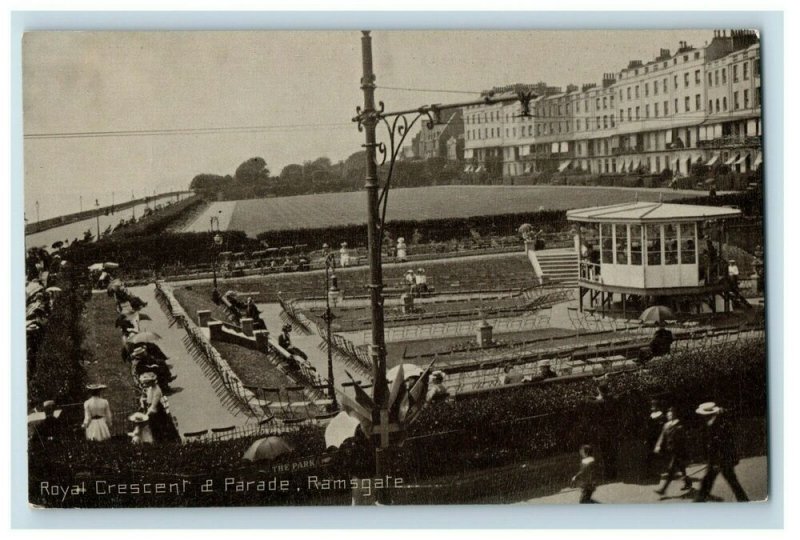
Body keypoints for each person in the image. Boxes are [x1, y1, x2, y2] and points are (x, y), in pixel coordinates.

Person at [694, 402, 749, 502]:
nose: (701, 416)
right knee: (715, 481)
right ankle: (744, 500)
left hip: (722, 459)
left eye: (703, 414)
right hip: (716, 460)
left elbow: (723, 445)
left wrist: (717, 462)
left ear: (708, 415)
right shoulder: (711, 423)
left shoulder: (720, 424)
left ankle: (698, 502)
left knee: (715, 481)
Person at [654, 406, 693, 495]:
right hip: (670, 451)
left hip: (678, 452)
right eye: (668, 414)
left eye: (671, 414)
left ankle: (663, 490)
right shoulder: (666, 425)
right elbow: (662, 436)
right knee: (682, 469)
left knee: (671, 470)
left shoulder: (679, 426)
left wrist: (687, 452)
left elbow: (684, 440)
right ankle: (688, 483)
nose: (669, 415)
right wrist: (658, 446)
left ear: (674, 415)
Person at [139, 373, 179, 443]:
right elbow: (148, 399)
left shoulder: (157, 391)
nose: (144, 385)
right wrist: (143, 400)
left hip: (157, 412)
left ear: (150, 382)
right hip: (152, 411)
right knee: (154, 429)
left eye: (145, 383)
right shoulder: (150, 388)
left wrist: (145, 415)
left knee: (160, 429)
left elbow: (153, 407)